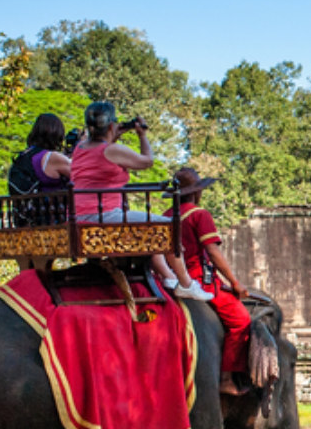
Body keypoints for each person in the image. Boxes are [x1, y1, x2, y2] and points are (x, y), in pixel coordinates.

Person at [70, 101, 209, 300]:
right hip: (105, 215)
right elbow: (147, 161)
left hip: (80, 214)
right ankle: (185, 283)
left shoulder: (79, 149)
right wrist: (142, 135)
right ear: (111, 126)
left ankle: (169, 276)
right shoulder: (112, 150)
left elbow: (102, 151)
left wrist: (115, 133)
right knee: (169, 226)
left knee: (154, 224)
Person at [175, 166, 252, 396]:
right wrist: (235, 283)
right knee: (241, 320)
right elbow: (214, 253)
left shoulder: (167, 216)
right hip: (199, 282)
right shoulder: (199, 215)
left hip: (169, 280)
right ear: (197, 193)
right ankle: (226, 379)